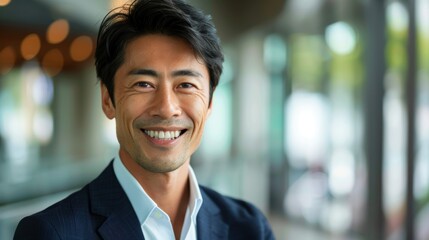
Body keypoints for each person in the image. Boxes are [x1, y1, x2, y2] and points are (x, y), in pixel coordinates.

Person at [14, 0, 275, 239]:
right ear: (108, 100)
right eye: (143, 84)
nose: (166, 108)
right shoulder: (52, 233)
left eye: (185, 84)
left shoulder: (250, 228)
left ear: (209, 103)